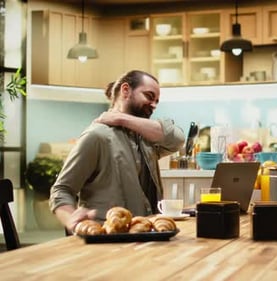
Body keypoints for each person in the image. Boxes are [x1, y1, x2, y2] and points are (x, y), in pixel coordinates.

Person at [49, 70, 185, 233]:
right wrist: (74, 222)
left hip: (144, 236)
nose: (154, 105)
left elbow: (177, 138)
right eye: (149, 96)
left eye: (157, 101)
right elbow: (61, 190)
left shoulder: (144, 138)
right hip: (106, 241)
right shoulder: (97, 136)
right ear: (126, 90)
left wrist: (121, 119)